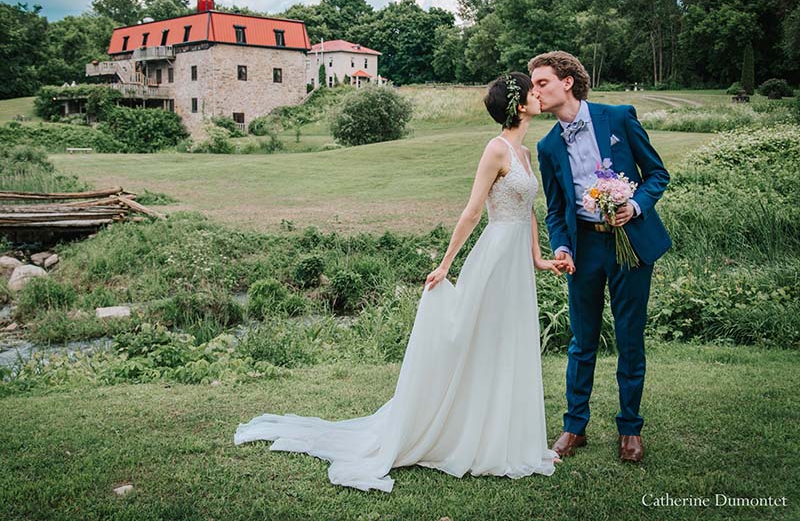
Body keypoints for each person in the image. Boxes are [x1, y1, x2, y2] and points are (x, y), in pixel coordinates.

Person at [234, 71, 566, 492]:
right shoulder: (496, 149)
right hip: (495, 258)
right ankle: (474, 437)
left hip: (517, 260)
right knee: (482, 340)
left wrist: (538, 258)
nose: (539, 96)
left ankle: (509, 439)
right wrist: (446, 264)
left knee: (510, 341)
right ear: (518, 104)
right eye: (531, 91)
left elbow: (527, 210)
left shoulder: (525, 154)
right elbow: (471, 212)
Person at [531, 51, 671, 464]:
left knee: (630, 339)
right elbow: (557, 209)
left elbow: (657, 174)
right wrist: (561, 246)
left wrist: (637, 206)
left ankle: (630, 429)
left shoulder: (619, 117)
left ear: (568, 82)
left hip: (630, 243)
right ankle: (575, 426)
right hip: (584, 250)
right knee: (581, 341)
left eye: (542, 83)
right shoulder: (547, 145)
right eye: (534, 85)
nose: (535, 92)